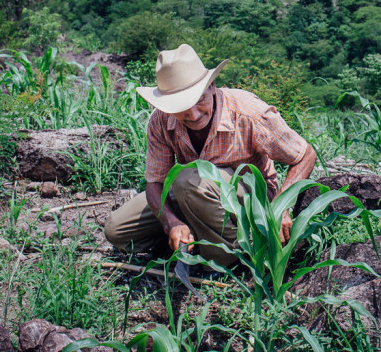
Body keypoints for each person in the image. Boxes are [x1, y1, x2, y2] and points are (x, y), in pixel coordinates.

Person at [104, 43, 317, 265]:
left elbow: (305, 154)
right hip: (193, 193)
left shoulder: (247, 112)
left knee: (188, 181)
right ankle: (189, 236)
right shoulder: (160, 120)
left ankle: (234, 256)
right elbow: (155, 183)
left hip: (245, 196)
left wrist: (282, 207)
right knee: (117, 230)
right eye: (180, 107)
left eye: (198, 101)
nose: (193, 115)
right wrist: (171, 223)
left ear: (212, 86)